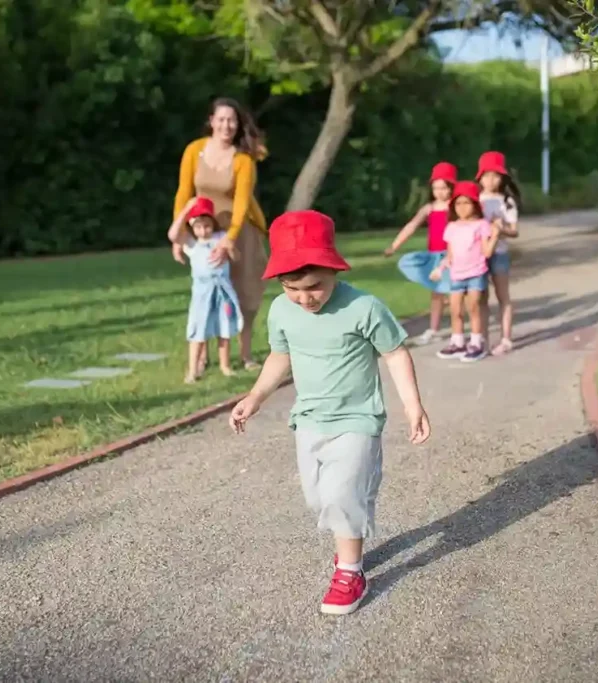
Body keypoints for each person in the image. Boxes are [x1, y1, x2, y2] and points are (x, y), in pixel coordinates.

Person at [229, 209, 431, 616]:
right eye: (292, 288)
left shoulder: (364, 307)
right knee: (318, 498)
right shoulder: (282, 312)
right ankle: (349, 532)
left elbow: (394, 353)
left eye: (314, 286)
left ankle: (350, 572)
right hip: (309, 420)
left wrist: (413, 406)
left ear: (333, 268)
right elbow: (279, 357)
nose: (305, 298)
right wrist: (255, 397)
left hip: (358, 419)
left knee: (341, 495)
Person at [173, 97, 268, 372]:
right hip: (203, 231)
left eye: (232, 120)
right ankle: (202, 355)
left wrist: (230, 238)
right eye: (222, 119)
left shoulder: (243, 160)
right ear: (212, 121)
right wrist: (180, 235)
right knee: (207, 292)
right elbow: (184, 192)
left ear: (238, 125)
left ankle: (245, 354)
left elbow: (241, 202)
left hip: (240, 231)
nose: (227, 125)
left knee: (244, 292)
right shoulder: (194, 151)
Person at [168, 196, 244, 383]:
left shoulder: (221, 237)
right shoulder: (192, 243)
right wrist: (186, 210)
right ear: (193, 227)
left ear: (213, 223)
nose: (203, 230)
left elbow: (237, 257)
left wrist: (230, 249)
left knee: (224, 328)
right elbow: (172, 235)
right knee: (198, 330)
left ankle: (225, 365)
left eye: (207, 225)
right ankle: (193, 370)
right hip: (202, 294)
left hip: (222, 290)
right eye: (198, 226)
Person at [383, 161, 457, 345]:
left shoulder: (457, 207)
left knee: (457, 295)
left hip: (452, 256)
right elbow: (412, 226)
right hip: (434, 256)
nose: (439, 192)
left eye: (443, 188)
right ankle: (433, 329)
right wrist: (395, 245)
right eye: (435, 188)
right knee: (436, 293)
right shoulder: (429, 208)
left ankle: (458, 333)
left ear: (451, 187)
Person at [430, 181, 500, 362]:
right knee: (455, 310)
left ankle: (477, 342)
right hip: (456, 275)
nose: (462, 207)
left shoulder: (481, 225)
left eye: (466, 203)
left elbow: (486, 252)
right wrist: (440, 268)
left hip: (476, 273)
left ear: (475, 204)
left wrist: (495, 235)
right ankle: (458, 341)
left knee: (474, 307)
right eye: (458, 203)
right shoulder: (452, 227)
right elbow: (450, 254)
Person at [476, 151, 521, 356]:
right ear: (480, 177)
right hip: (477, 255)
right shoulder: (475, 199)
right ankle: (481, 338)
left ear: (502, 177)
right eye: (486, 175)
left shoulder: (507, 202)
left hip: (500, 253)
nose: (490, 180)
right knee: (480, 298)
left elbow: (514, 230)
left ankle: (506, 338)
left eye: (495, 175)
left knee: (503, 296)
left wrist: (501, 229)